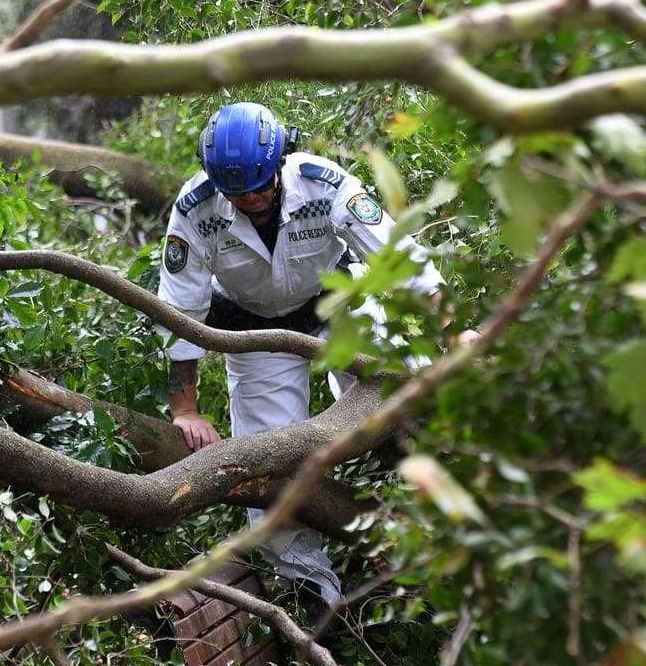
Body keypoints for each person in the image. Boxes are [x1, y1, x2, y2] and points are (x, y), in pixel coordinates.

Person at [156, 102, 474, 606]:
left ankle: (409, 459)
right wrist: (185, 409)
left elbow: (403, 260)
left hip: (336, 306)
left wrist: (453, 332)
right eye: (238, 194)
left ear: (281, 159)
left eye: (261, 186)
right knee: (266, 471)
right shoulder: (194, 210)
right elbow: (178, 316)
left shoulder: (324, 184)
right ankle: (316, 595)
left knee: (405, 364)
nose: (253, 200)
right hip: (255, 329)